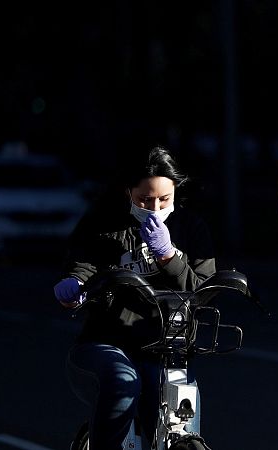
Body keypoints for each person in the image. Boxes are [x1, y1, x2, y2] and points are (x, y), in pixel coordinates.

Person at [53, 144, 216, 450]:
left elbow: (201, 289)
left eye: (163, 199)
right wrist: (73, 286)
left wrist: (169, 255)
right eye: (144, 199)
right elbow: (82, 267)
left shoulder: (191, 227)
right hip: (105, 343)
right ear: (127, 191)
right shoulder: (103, 224)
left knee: (176, 406)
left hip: (169, 347)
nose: (154, 208)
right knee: (122, 381)